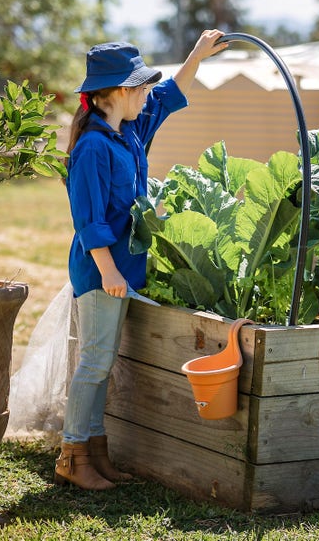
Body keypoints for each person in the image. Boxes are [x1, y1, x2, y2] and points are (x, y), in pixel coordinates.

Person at [55, 30, 228, 491]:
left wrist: (195, 56)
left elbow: (170, 96)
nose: (149, 93)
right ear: (121, 92)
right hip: (100, 270)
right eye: (142, 87)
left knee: (103, 361)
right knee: (94, 363)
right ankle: (72, 455)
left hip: (121, 269)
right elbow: (87, 218)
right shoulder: (93, 146)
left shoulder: (127, 131)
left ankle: (95, 450)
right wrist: (109, 270)